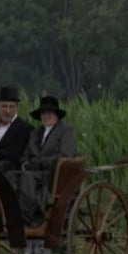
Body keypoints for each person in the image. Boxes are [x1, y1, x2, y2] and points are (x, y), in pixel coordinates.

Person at [14, 95, 77, 226]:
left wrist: (39, 164)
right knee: (10, 175)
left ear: (56, 115)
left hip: (52, 174)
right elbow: (25, 155)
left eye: (49, 112)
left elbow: (65, 155)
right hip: (32, 171)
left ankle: (27, 216)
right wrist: (25, 164)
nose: (46, 116)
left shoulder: (65, 131)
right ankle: (9, 213)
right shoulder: (36, 133)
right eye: (43, 113)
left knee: (27, 177)